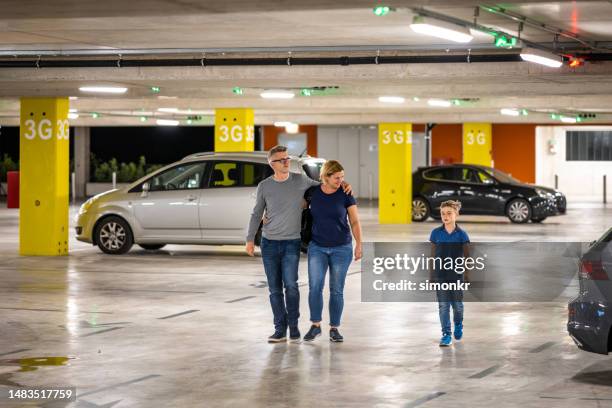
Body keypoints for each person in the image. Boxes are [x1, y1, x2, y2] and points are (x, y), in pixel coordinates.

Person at [246, 146, 351, 343]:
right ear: (272, 164)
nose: (286, 162)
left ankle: (293, 327)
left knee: (291, 287)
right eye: (281, 160)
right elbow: (256, 212)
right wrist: (250, 238)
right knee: (274, 289)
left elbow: (324, 185)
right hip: (269, 243)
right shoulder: (264, 186)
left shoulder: (300, 180)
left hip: (291, 243)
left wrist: (344, 183)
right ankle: (280, 329)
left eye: (287, 158)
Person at [303, 160, 362, 343]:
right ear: (326, 177)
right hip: (317, 247)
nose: (341, 180)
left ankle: (334, 328)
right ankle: (315, 325)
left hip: (341, 248)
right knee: (315, 287)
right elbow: (298, 210)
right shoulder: (312, 193)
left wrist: (359, 243)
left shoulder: (346, 194)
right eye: (337, 177)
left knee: (336, 290)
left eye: (342, 177)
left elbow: (354, 221)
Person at [429, 200, 470, 347]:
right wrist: (431, 276)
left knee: (457, 306)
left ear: (456, 214)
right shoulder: (436, 233)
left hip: (456, 276)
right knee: (443, 306)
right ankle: (446, 334)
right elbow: (432, 256)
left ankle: (458, 324)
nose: (445, 216)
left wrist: (467, 276)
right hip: (440, 276)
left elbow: (467, 258)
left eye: (449, 213)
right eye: (442, 213)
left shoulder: (462, 235)